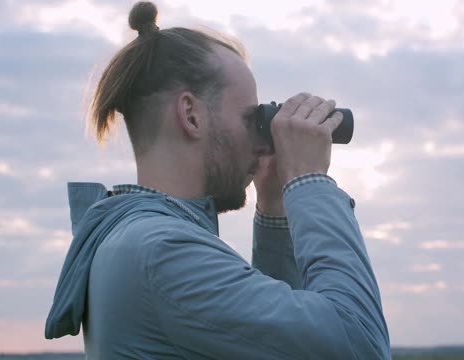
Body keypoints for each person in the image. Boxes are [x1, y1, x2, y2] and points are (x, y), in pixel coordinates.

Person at [45, 1, 390, 359]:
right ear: (191, 115)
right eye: (249, 119)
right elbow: (360, 344)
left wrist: (275, 212)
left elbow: (280, 347)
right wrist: (310, 182)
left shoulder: (131, 239)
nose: (260, 141)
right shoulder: (163, 251)